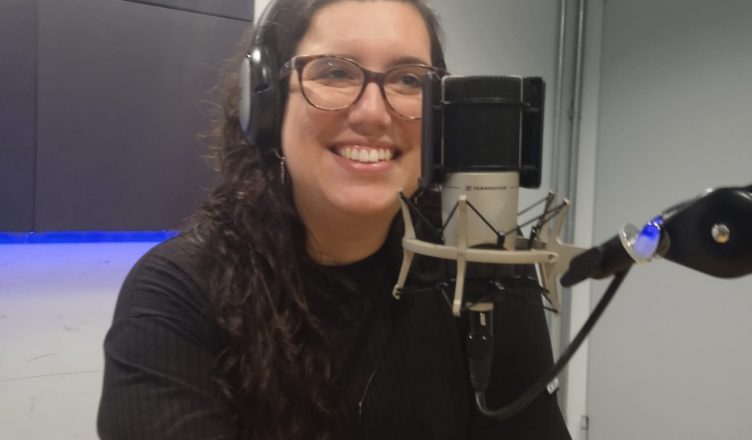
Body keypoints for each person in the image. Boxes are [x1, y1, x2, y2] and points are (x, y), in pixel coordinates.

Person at [97, 0, 572, 439]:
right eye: (335, 72)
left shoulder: (486, 268)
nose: (373, 113)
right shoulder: (177, 294)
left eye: (409, 79)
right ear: (266, 103)